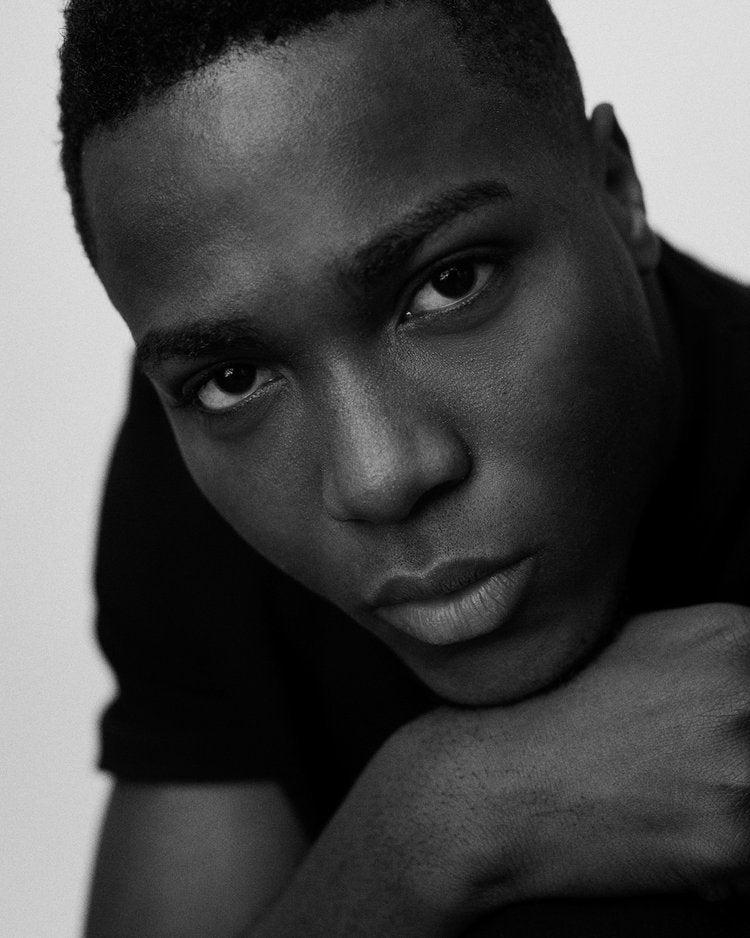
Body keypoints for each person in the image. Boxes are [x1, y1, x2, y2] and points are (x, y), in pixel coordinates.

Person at [59, 0, 750, 935]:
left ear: (619, 191)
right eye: (232, 376)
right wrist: (433, 831)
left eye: (449, 283)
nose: (378, 477)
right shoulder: (194, 449)